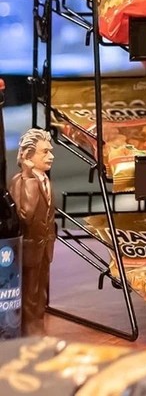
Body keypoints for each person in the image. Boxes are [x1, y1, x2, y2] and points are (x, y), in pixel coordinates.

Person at [9, 129, 55, 334]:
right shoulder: (21, 181)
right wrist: (28, 177)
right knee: (30, 291)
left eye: (50, 151)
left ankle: (39, 325)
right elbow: (25, 214)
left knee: (41, 291)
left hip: (45, 246)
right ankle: (29, 330)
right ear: (28, 155)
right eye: (44, 152)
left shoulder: (45, 180)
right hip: (29, 249)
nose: (51, 156)